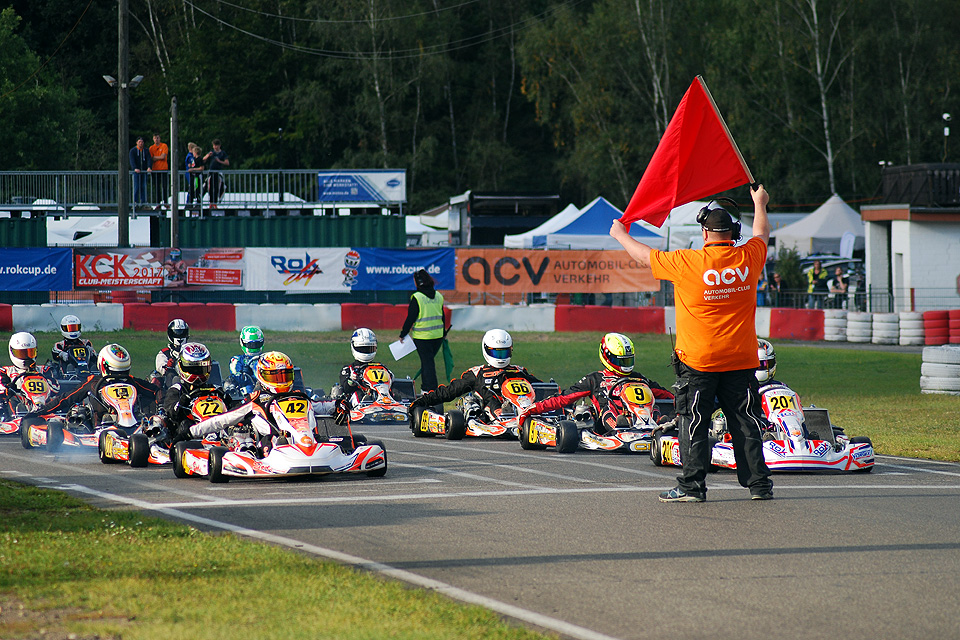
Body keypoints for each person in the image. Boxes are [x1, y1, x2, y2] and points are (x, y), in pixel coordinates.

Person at [609, 186, 774, 502]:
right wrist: (759, 204)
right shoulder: (749, 257)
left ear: (704, 232)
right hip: (741, 359)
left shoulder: (687, 262)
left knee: (694, 424)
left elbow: (643, 255)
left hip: (699, 361)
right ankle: (759, 485)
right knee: (745, 422)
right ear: (732, 233)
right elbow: (762, 233)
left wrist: (620, 235)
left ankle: (691, 487)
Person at [170, 351, 332, 456]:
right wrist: (190, 433)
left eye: (284, 376)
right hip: (269, 445)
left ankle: (309, 444)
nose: (281, 382)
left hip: (305, 441)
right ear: (263, 376)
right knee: (250, 439)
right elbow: (222, 420)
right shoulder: (256, 400)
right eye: (275, 377)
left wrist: (338, 406)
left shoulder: (300, 396)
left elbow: (321, 406)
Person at [519, 332, 674, 434]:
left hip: (639, 417)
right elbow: (564, 398)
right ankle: (620, 428)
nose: (625, 364)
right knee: (608, 408)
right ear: (607, 357)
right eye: (620, 361)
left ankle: (657, 424)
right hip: (608, 423)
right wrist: (532, 409)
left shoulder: (639, 378)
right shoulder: (596, 379)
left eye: (627, 360)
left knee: (654, 405)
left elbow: (667, 395)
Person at [408, 329, 541, 421]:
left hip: (520, 405)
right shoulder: (478, 373)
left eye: (504, 353)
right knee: (490, 398)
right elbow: (450, 391)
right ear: (486, 350)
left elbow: (542, 388)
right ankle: (504, 416)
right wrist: (422, 401)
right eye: (496, 353)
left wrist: (560, 394)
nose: (500, 357)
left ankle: (523, 414)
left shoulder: (518, 371)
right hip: (489, 409)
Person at [39, 344, 159, 426]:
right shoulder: (95, 382)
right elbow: (67, 398)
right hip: (101, 426)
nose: (121, 376)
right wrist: (42, 411)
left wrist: (162, 407)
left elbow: (156, 391)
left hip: (134, 423)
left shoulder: (132, 382)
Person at [161, 342, 229, 440]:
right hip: (189, 436)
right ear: (182, 366)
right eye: (193, 369)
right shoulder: (177, 389)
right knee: (185, 424)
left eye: (201, 369)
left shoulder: (216, 389)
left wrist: (228, 401)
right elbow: (172, 414)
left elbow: (232, 413)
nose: (197, 373)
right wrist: (183, 401)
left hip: (218, 428)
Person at [333, 328, 400, 423]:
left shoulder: (381, 367)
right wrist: (352, 380)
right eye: (362, 348)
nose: (365, 351)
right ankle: (360, 408)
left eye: (369, 349)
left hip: (379, 394)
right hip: (360, 396)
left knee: (395, 392)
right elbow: (346, 388)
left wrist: (390, 377)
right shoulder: (348, 369)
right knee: (358, 394)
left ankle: (393, 404)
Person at [399, 269, 450, 394]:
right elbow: (442, 316)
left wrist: (403, 334)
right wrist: (443, 333)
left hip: (423, 337)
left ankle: (431, 391)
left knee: (428, 365)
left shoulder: (417, 297)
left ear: (417, 282)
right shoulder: (438, 296)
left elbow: (411, 317)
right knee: (427, 363)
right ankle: (425, 388)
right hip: (437, 336)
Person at [0, 332, 61, 403]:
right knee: (11, 401)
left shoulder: (43, 370)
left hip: (45, 406)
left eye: (30, 353)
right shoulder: (5, 371)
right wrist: (10, 388)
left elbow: (56, 389)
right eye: (21, 353)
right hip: (19, 406)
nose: (26, 357)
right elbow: (2, 389)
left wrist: (36, 374)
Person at [149, 319, 190, 390]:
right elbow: (160, 367)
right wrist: (168, 366)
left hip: (190, 376)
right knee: (171, 375)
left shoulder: (190, 351)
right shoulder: (164, 353)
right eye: (176, 333)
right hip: (172, 381)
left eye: (182, 333)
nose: (179, 336)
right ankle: (171, 397)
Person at [203, 139, 229, 208]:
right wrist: (208, 155)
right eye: (214, 145)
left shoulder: (222, 153)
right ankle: (211, 202)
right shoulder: (211, 152)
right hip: (211, 172)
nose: (215, 147)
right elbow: (203, 160)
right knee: (210, 187)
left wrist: (219, 161)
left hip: (218, 172)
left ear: (219, 146)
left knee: (217, 186)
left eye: (216, 145)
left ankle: (216, 202)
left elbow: (227, 163)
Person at [129, 136, 151, 208]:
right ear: (137, 143)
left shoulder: (146, 151)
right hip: (136, 172)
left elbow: (149, 159)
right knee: (136, 187)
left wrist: (149, 167)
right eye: (139, 142)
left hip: (143, 171)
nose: (141, 143)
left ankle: (143, 202)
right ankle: (135, 202)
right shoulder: (133, 151)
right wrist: (134, 168)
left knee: (143, 186)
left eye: (142, 142)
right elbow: (132, 160)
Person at [149, 132, 169, 209]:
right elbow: (151, 158)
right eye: (155, 138)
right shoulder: (151, 148)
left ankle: (165, 202)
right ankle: (158, 202)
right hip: (155, 169)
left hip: (163, 169)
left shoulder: (164, 146)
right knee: (157, 187)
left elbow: (163, 156)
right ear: (153, 139)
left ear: (159, 138)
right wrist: (159, 157)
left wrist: (156, 157)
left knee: (164, 186)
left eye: (157, 138)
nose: (156, 139)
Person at [185, 142, 204, 213]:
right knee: (192, 188)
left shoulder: (199, 159)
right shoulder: (193, 158)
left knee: (196, 189)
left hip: (196, 177)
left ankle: (197, 202)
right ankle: (190, 202)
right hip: (193, 176)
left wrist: (193, 169)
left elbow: (201, 167)